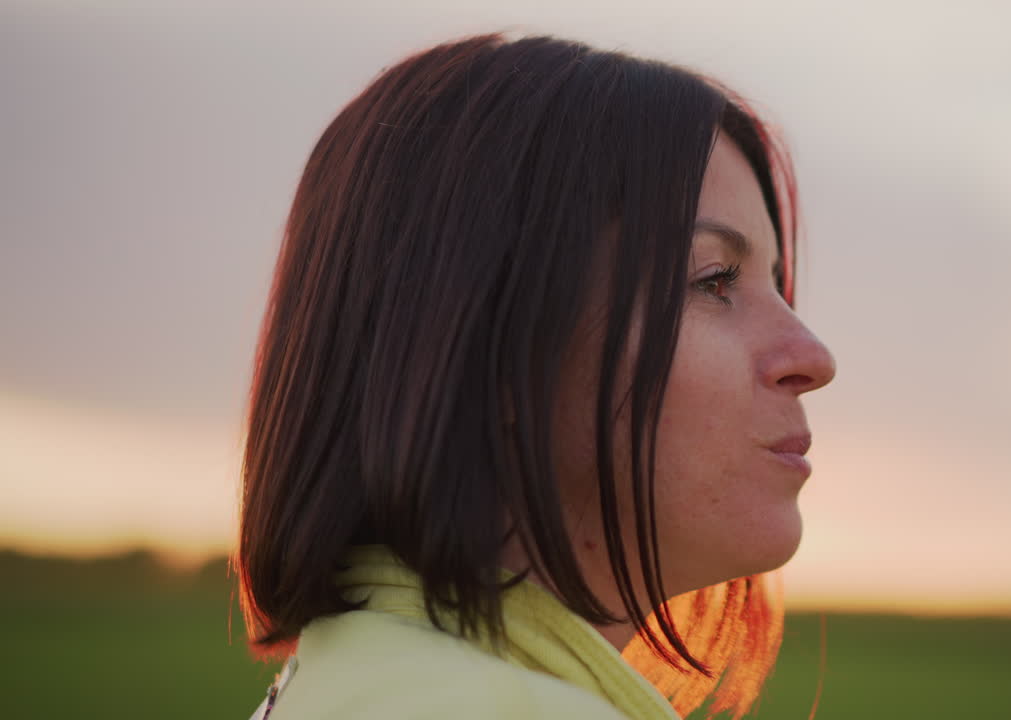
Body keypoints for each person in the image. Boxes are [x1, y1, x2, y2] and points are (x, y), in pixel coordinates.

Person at [236, 32, 836, 720]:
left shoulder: (336, 684)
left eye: (778, 285)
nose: (812, 357)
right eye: (713, 280)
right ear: (491, 340)